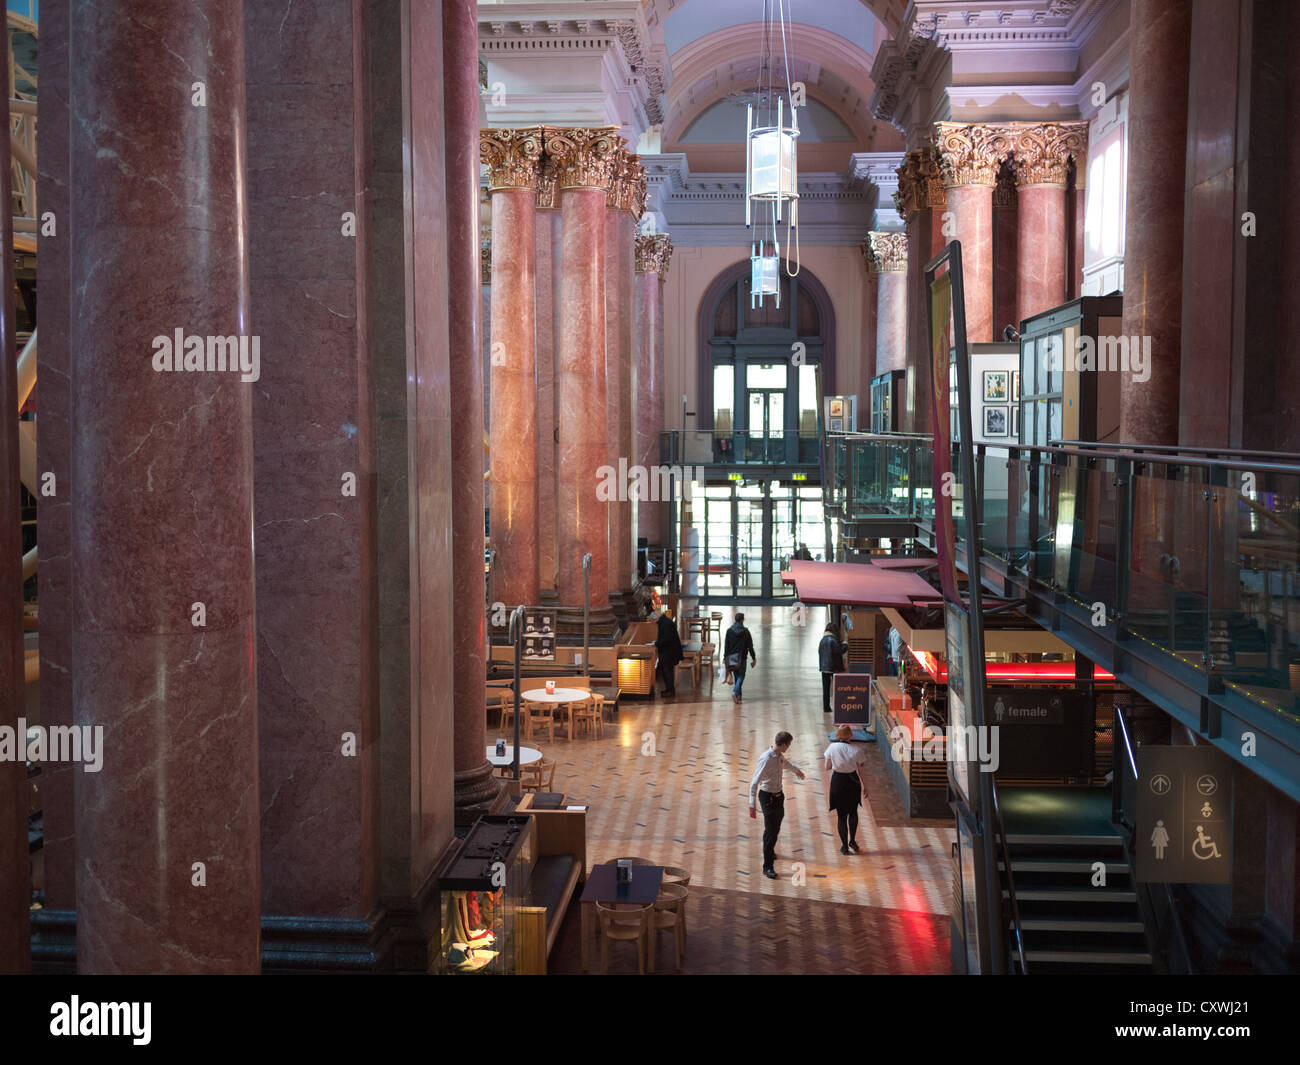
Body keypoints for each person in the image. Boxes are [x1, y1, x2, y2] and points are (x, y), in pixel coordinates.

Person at [748, 730, 805, 879]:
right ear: (784, 744)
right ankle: (767, 867)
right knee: (770, 831)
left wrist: (796, 770)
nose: (789, 747)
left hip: (779, 796)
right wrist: (751, 803)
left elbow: (785, 764)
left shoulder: (779, 756)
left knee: (776, 826)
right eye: (789, 744)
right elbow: (754, 782)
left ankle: (770, 851)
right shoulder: (766, 759)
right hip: (767, 797)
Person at [823, 724, 869, 855]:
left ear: (837, 735)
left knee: (841, 816)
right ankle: (852, 841)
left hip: (838, 782)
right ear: (851, 735)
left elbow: (827, 767)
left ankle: (844, 847)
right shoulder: (857, 750)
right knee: (853, 812)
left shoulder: (832, 747)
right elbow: (861, 770)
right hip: (852, 781)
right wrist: (866, 786)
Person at [723, 612, 756, 703]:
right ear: (742, 620)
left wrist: (725, 658)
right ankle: (735, 692)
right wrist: (754, 658)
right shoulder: (746, 632)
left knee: (737, 676)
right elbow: (750, 646)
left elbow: (726, 646)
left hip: (732, 657)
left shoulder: (729, 631)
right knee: (741, 676)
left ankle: (739, 696)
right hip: (742, 657)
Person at [818, 621, 849, 715]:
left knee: (826, 689)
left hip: (824, 668)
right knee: (838, 688)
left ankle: (826, 707)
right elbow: (840, 651)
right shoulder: (833, 640)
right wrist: (845, 644)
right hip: (834, 668)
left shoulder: (822, 640)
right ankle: (839, 706)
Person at [653, 608, 683, 697]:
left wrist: (656, 643)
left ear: (656, 618)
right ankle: (668, 689)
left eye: (653, 621)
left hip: (669, 652)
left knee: (668, 672)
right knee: (666, 671)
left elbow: (667, 639)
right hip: (668, 651)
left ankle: (670, 691)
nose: (654, 623)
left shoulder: (665, 624)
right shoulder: (664, 622)